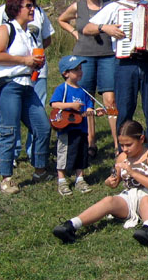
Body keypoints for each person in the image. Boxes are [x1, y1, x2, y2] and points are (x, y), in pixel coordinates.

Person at [52, 120, 148, 247]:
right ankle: (71, 225)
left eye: (128, 145)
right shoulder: (122, 157)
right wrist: (110, 181)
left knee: (146, 200)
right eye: (122, 145)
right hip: (130, 197)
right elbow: (114, 181)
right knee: (108, 200)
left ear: (141, 139)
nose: (125, 149)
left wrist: (133, 173)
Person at [83, 0, 148, 152]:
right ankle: (123, 154)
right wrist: (105, 28)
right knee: (125, 111)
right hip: (125, 64)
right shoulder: (115, 7)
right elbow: (87, 28)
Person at [0, 0, 54, 165]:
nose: (33, 9)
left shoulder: (30, 34)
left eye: (33, 6)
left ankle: (39, 169)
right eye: (28, 6)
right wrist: (25, 61)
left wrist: (34, 63)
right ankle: (5, 174)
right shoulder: (6, 28)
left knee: (42, 128)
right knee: (9, 130)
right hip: (9, 85)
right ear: (17, 8)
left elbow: (44, 43)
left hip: (28, 84)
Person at [58, 0, 117, 157]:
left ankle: (117, 144)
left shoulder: (110, 5)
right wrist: (75, 32)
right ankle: (91, 142)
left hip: (108, 56)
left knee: (110, 100)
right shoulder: (78, 7)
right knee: (87, 100)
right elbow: (62, 20)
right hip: (84, 57)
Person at [50, 55, 105, 196]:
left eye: (80, 69)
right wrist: (71, 105)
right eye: (76, 69)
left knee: (81, 153)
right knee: (64, 154)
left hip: (81, 129)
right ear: (66, 73)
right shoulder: (63, 88)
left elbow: (88, 108)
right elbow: (54, 104)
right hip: (66, 129)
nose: (80, 72)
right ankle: (62, 180)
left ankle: (80, 178)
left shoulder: (84, 91)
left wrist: (92, 111)